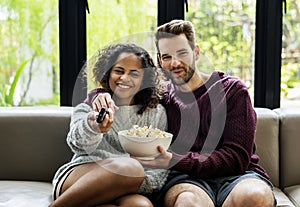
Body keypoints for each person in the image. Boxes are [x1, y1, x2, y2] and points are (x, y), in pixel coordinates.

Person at [95, 20, 276, 207]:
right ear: (159, 61)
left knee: (255, 197)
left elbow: (236, 157)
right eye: (166, 56)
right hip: (186, 180)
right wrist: (100, 94)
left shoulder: (231, 90)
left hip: (237, 177)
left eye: (182, 53)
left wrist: (175, 160)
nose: (175, 63)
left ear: (196, 52)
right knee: (188, 203)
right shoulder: (160, 95)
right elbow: (123, 90)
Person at [49, 43, 170, 207]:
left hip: (127, 186)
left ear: (144, 80)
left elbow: (160, 163)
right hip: (80, 176)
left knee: (141, 205)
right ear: (108, 73)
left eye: (134, 74)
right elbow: (76, 144)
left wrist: (132, 182)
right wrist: (93, 127)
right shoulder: (89, 107)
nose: (124, 78)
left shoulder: (156, 113)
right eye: (119, 71)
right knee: (131, 167)